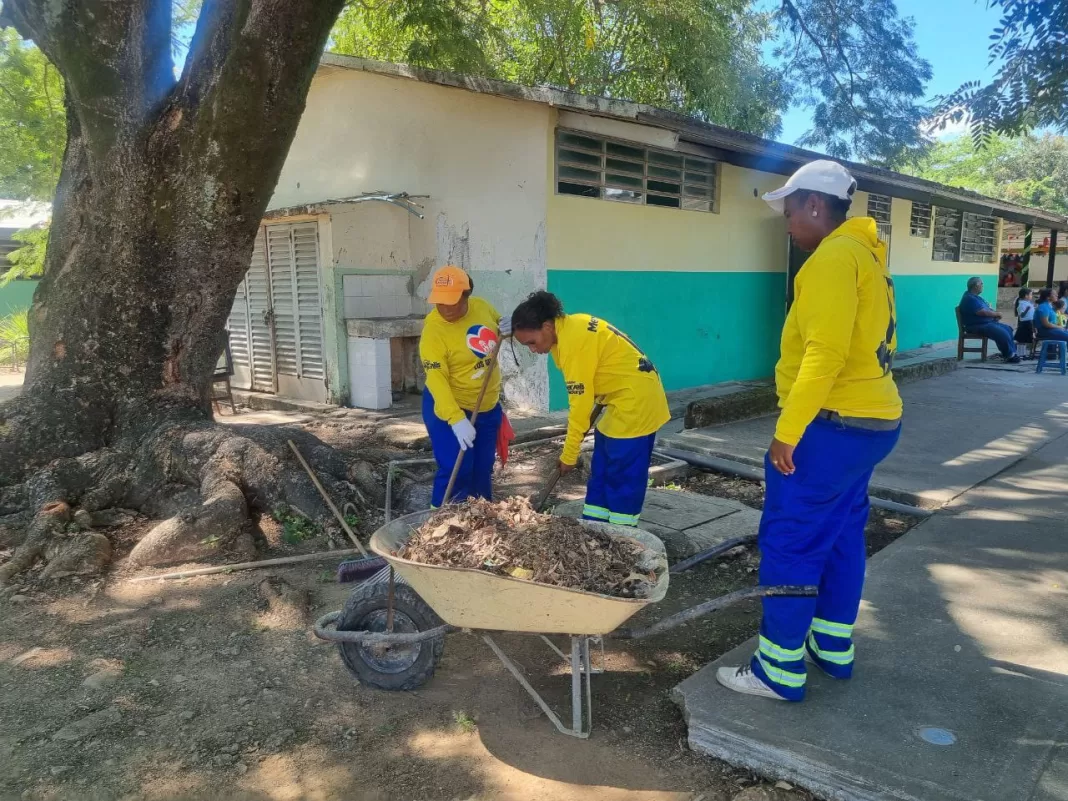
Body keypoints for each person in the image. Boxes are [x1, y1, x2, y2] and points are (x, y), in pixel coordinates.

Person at [716, 160, 902, 702]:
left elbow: (825, 354)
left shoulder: (831, 260)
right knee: (842, 533)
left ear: (816, 206)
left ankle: (778, 670)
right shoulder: (868, 256)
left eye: (790, 212)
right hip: (873, 422)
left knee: (792, 539)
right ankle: (833, 648)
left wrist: (787, 432)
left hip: (831, 426)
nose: (788, 225)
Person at [510, 291, 669, 528]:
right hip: (617, 398)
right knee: (602, 468)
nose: (532, 349)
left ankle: (621, 535)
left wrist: (569, 454)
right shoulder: (571, 325)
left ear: (546, 326)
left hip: (636, 402)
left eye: (532, 342)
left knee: (623, 474)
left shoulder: (574, 342)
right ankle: (593, 527)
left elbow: (580, 408)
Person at [419, 265, 510, 507]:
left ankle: (481, 526)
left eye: (452, 301)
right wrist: (456, 419)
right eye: (440, 302)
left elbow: (498, 325)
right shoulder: (434, 332)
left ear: (466, 295)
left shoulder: (481, 307)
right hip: (449, 406)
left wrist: (510, 327)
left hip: (487, 407)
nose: (445, 308)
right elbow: (436, 379)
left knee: (481, 470)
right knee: (456, 468)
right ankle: (441, 527)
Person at [959, 277, 1021, 363]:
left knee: (1008, 328)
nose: (982, 286)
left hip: (986, 323)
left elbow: (987, 309)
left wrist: (994, 315)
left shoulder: (976, 297)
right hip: (976, 325)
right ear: (976, 285)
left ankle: (1011, 353)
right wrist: (997, 314)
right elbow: (982, 312)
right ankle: (1009, 355)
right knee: (1000, 332)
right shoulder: (969, 298)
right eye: (981, 284)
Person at [1014, 287, 1035, 355]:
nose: (1031, 296)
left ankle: (1027, 353)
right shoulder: (1021, 304)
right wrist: (1027, 310)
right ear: (1026, 296)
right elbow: (1022, 315)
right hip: (1025, 323)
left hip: (1030, 322)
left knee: (1029, 338)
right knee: (1022, 340)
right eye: (1030, 295)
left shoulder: (1027, 303)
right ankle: (1020, 353)